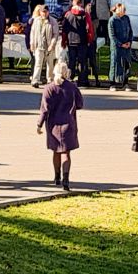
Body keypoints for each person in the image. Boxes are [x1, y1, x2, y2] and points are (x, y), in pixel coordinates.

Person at [38, 61, 84, 190]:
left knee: (56, 151)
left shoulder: (49, 88)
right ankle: (66, 179)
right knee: (66, 153)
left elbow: (44, 109)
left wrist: (39, 124)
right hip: (69, 124)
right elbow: (80, 104)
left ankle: (57, 177)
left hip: (53, 125)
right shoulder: (72, 87)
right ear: (66, 72)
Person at [62, 0, 92, 86]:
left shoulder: (68, 14)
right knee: (82, 61)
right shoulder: (85, 14)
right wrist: (89, 39)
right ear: (81, 4)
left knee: (71, 60)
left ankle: (70, 78)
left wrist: (64, 41)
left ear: (73, 4)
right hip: (82, 41)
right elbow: (89, 27)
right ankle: (82, 80)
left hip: (71, 40)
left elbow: (64, 29)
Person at [28, 4, 58, 89]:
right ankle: (35, 80)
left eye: (45, 12)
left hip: (49, 46)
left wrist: (52, 44)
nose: (44, 13)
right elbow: (32, 33)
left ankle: (50, 80)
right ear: (40, 12)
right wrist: (32, 43)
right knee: (38, 63)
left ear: (48, 12)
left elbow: (55, 34)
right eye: (42, 12)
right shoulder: (36, 20)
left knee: (50, 64)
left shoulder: (53, 21)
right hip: (39, 46)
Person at [107, 3, 133, 90]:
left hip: (126, 45)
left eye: (124, 9)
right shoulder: (112, 20)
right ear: (116, 10)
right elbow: (112, 35)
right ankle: (112, 83)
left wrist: (129, 41)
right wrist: (120, 44)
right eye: (122, 9)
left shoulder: (126, 18)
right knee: (115, 63)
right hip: (116, 47)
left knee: (126, 63)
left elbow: (130, 31)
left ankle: (125, 82)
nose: (124, 11)